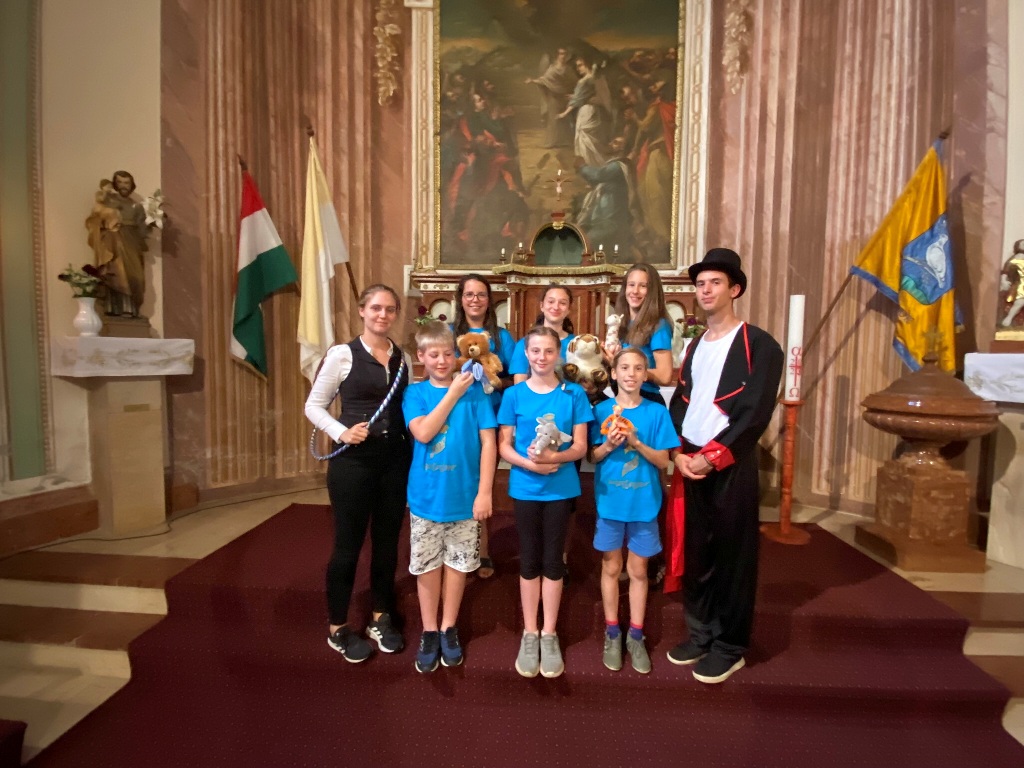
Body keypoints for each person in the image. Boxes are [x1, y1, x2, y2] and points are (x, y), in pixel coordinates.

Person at [666, 248, 783, 684]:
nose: (705, 290)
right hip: (690, 458)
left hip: (729, 462)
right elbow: (682, 402)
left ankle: (730, 645)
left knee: (733, 557)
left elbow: (754, 413)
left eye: (715, 282)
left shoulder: (760, 345)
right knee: (698, 554)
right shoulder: (695, 345)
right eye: (700, 284)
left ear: (734, 289)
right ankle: (701, 634)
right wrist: (678, 453)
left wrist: (711, 457)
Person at [304, 284, 413, 663]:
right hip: (353, 465)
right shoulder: (342, 355)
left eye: (390, 309)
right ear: (362, 311)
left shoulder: (403, 358)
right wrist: (341, 432)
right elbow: (314, 405)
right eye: (376, 308)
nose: (383, 315)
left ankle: (381, 616)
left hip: (394, 462)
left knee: (387, 543)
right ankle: (338, 626)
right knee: (348, 546)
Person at [498, 326, 593, 678]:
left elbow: (581, 446)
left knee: (553, 560)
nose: (541, 357)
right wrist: (530, 463)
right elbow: (504, 444)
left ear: (558, 354)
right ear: (526, 354)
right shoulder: (514, 394)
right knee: (529, 558)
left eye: (548, 351)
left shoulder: (573, 394)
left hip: (560, 489)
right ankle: (530, 632)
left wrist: (557, 457)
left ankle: (549, 633)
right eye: (535, 351)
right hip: (525, 488)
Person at [402, 322, 497, 673]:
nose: (441, 361)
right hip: (427, 496)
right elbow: (425, 432)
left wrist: (484, 491)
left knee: (458, 564)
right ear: (421, 357)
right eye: (433, 355)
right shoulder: (415, 394)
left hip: (465, 496)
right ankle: (429, 630)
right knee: (428, 565)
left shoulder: (477, 393)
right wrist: (453, 393)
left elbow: (489, 443)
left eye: (447, 354)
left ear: (455, 355)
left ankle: (448, 627)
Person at [590, 347, 679, 674]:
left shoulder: (656, 413)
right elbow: (592, 456)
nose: (630, 374)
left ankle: (636, 635)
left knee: (639, 570)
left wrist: (637, 442)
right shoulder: (601, 410)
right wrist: (609, 444)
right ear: (614, 373)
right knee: (611, 566)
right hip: (610, 503)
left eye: (638, 368)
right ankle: (613, 631)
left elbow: (664, 461)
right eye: (624, 368)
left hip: (644, 505)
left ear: (645, 375)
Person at [452, 274, 515, 579]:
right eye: (469, 294)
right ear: (460, 299)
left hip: (492, 416)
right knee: (460, 479)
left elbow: (515, 378)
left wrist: (492, 380)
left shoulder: (502, 338)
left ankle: (484, 548)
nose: (475, 300)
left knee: (483, 483)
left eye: (481, 294)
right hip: (459, 415)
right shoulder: (449, 334)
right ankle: (460, 546)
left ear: (489, 301)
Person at [85, 171, 151, 317]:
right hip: (113, 242)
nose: (123, 186)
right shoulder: (109, 201)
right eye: (120, 182)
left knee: (136, 277)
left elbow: (142, 229)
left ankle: (132, 308)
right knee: (115, 273)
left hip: (132, 242)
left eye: (126, 183)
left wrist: (153, 223)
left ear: (132, 185)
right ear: (115, 184)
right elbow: (96, 218)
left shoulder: (136, 206)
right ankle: (114, 308)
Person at [608, 263, 675, 405]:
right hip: (623, 396)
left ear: (652, 292)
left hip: (646, 399)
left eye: (643, 286)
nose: (635, 291)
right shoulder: (621, 323)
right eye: (631, 285)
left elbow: (665, 376)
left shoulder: (659, 325)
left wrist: (633, 371)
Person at [509, 283, 576, 384]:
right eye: (551, 301)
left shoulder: (576, 344)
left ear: (569, 309)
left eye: (562, 303)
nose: (556, 307)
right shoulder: (524, 343)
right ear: (542, 305)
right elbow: (520, 385)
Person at [558, 56, 611, 168]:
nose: (578, 68)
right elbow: (584, 96)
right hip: (592, 110)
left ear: (588, 64)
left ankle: (590, 164)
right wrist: (576, 97)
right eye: (577, 66)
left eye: (580, 65)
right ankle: (593, 164)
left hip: (586, 111)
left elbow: (577, 100)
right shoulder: (595, 79)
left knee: (584, 135)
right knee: (588, 137)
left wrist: (565, 113)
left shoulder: (584, 80)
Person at [526, 48, 576, 148]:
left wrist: (574, 93)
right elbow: (544, 80)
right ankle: (551, 142)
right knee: (553, 119)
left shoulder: (568, 69)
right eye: (561, 54)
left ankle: (566, 141)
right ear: (557, 55)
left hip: (564, 97)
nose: (563, 56)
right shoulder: (552, 68)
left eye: (565, 54)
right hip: (554, 97)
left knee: (565, 119)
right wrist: (532, 81)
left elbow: (575, 81)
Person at [1000, 239, 1024, 328]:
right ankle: (1009, 318)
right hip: (1019, 284)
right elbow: (1006, 270)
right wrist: (1004, 280)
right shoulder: (1015, 259)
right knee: (1020, 301)